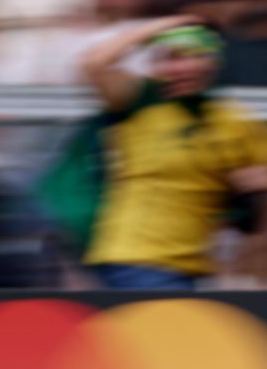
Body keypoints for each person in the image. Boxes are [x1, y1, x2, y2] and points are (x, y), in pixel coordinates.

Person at [79, 14, 267, 289]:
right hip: (135, 258)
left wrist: (256, 242)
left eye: (191, 56)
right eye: (167, 58)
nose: (179, 67)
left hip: (194, 267)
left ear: (212, 61)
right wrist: (165, 25)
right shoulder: (138, 103)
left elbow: (256, 185)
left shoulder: (233, 121)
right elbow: (94, 63)